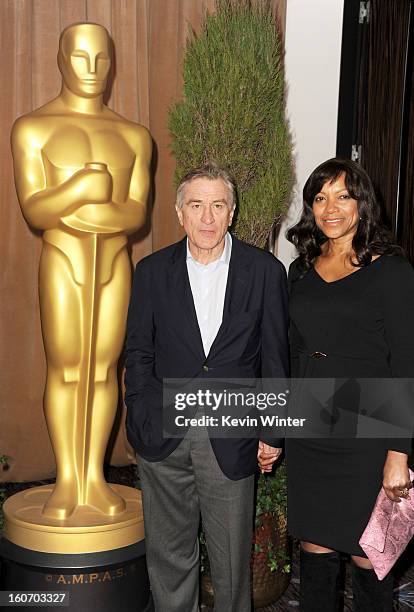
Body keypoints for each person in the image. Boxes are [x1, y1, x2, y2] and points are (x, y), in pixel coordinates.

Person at [125, 163, 289, 612]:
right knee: (168, 554)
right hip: (163, 434)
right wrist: (139, 414)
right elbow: (138, 353)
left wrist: (271, 432)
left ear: (232, 212)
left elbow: (274, 358)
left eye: (218, 205)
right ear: (180, 213)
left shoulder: (265, 272)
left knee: (232, 563)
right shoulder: (152, 272)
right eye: (196, 206)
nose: (207, 218)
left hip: (231, 434)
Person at [11, 23, 152, 519]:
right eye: (80, 58)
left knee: (103, 368)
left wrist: (88, 210)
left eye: (102, 60)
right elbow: (35, 209)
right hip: (64, 261)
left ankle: (94, 475)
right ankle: (66, 478)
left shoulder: (134, 136)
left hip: (114, 261)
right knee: (67, 368)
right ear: (60, 60)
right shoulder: (33, 128)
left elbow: (136, 213)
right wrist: (82, 191)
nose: (92, 71)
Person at [283, 158, 414, 611]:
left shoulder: (393, 272)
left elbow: (406, 363)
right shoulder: (299, 271)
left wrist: (399, 453)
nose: (330, 208)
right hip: (312, 424)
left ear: (362, 202)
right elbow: (292, 352)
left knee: (369, 554)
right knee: (315, 551)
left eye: (343, 195)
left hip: (369, 430)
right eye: (320, 198)